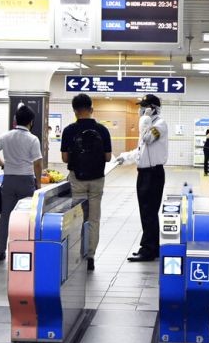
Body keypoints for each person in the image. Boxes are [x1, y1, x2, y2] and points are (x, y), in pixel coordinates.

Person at [61, 93, 112, 272]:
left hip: (77, 179)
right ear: (91, 109)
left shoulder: (68, 130)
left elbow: (65, 158)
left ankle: (78, 252)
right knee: (94, 219)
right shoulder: (102, 130)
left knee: (77, 217)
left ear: (74, 111)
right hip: (97, 179)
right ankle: (90, 255)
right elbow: (108, 157)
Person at [116, 94, 168, 262]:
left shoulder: (159, 125)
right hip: (144, 173)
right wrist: (125, 157)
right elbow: (141, 150)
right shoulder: (148, 125)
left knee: (149, 211)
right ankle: (152, 247)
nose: (140, 110)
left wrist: (145, 120)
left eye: (144, 107)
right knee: (147, 211)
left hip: (153, 174)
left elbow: (148, 138)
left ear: (152, 109)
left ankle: (148, 249)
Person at [0, 105, 43, 261]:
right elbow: (38, 164)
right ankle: (24, 247)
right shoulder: (32, 139)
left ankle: (0, 250)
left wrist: (3, 164)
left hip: (9, 180)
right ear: (31, 122)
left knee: (5, 216)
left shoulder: (6, 136)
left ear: (16, 120)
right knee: (26, 216)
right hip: (26, 180)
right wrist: (38, 184)